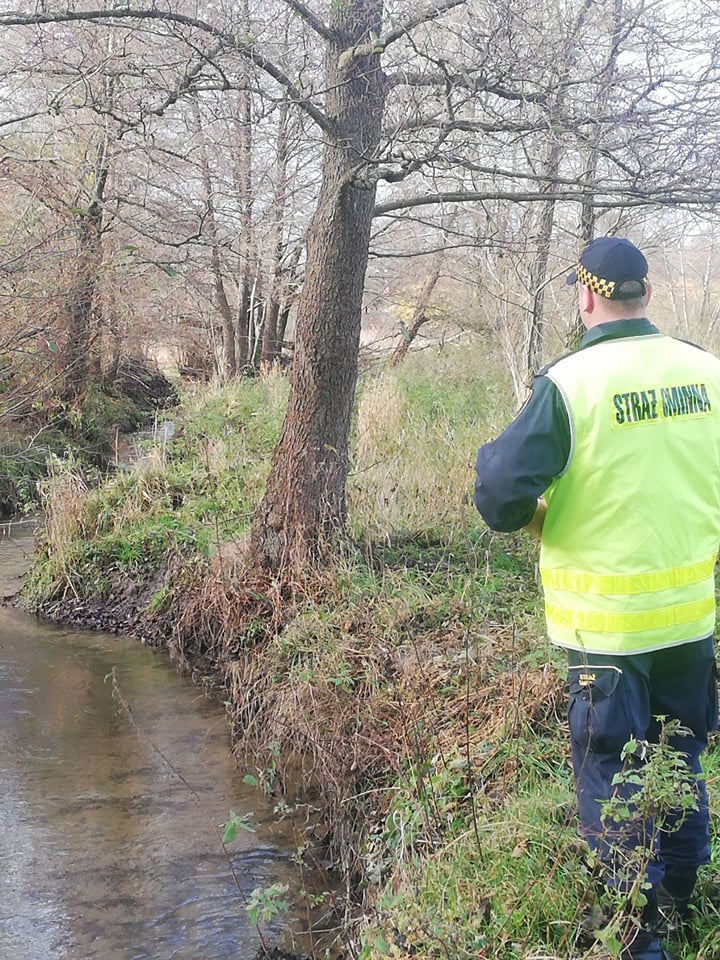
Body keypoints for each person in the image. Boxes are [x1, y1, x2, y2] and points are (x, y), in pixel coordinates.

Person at [473, 236, 720, 960]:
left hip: (606, 635)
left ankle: (638, 939)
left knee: (613, 774)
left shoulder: (570, 384)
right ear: (646, 295)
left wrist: (539, 521)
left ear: (586, 298)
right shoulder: (708, 374)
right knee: (679, 763)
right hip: (689, 621)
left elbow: (496, 494)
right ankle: (678, 906)